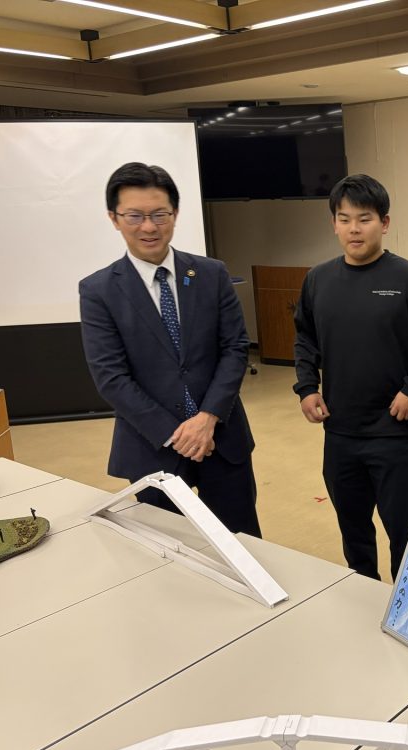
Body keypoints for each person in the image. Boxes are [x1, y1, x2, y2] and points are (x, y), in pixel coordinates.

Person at [293, 174, 408, 581]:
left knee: (404, 531)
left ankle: (405, 600)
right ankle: (362, 591)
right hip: (340, 432)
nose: (354, 229)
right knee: (353, 530)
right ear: (334, 224)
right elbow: (305, 337)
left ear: (384, 223)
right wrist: (307, 386)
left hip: (393, 430)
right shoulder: (318, 279)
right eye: (344, 219)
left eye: (364, 219)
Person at [80, 162, 260, 536]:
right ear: (114, 218)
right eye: (135, 216)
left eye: (159, 214)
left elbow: (234, 348)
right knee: (169, 554)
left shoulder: (211, 274)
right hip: (153, 446)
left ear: (175, 214)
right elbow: (111, 377)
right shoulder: (99, 291)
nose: (149, 227)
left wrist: (207, 418)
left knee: (243, 542)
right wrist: (179, 433)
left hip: (222, 438)